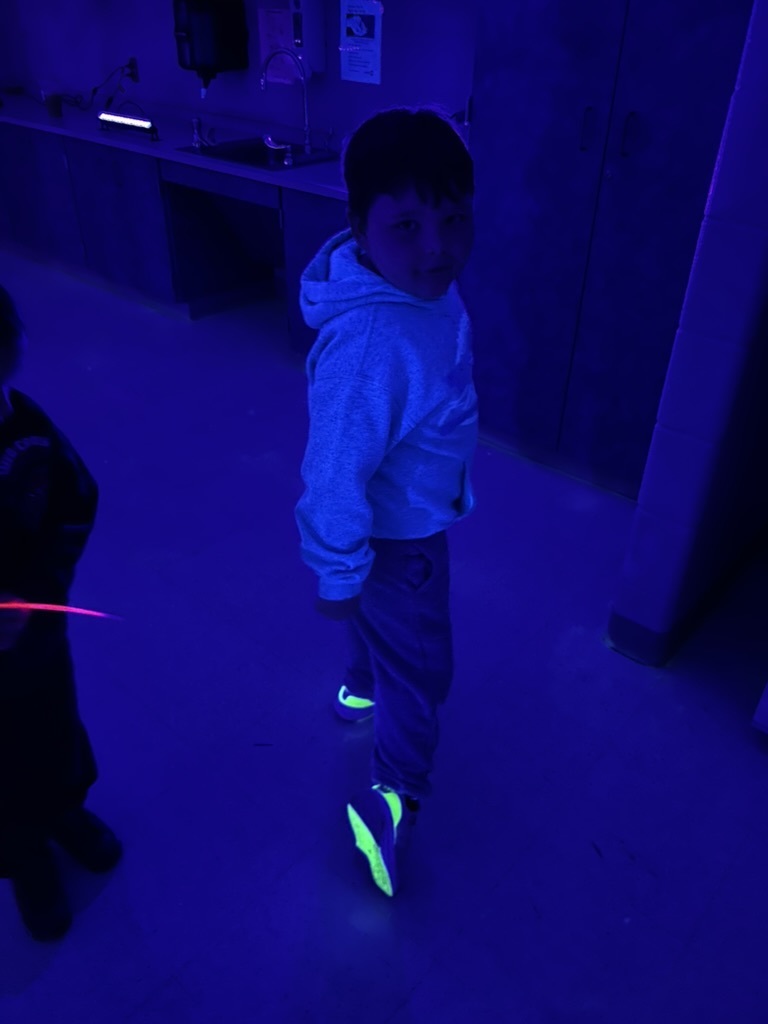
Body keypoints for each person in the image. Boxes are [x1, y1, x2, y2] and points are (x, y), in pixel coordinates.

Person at [295, 106, 478, 896]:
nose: (436, 247)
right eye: (407, 225)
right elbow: (333, 472)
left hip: (394, 522)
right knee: (424, 673)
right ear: (360, 228)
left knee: (383, 641)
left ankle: (359, 684)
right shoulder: (376, 342)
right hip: (402, 544)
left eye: (453, 218)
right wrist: (336, 577)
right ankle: (393, 796)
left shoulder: (411, 288)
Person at [0, 284, 122, 943]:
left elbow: (79, 497)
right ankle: (25, 858)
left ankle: (65, 811)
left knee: (53, 723)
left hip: (40, 638)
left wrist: (43, 584)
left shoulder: (25, 425)